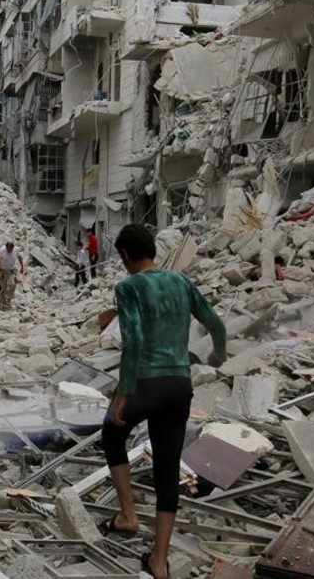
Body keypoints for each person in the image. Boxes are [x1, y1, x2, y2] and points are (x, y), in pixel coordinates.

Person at [98, 224, 226, 579]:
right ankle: (159, 560)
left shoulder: (128, 286)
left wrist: (122, 394)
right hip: (179, 384)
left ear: (125, 256)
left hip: (147, 384)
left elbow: (134, 340)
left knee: (112, 434)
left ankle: (127, 515)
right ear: (152, 249)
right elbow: (214, 321)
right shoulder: (181, 282)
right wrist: (218, 353)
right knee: (167, 470)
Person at [0, 241, 25, 310]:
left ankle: (8, 301)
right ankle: (2, 305)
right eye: (8, 249)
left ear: (13, 248)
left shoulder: (16, 249)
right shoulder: (2, 250)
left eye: (10, 249)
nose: (9, 251)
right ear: (6, 248)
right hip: (4, 270)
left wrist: (22, 266)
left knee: (13, 284)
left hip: (12, 270)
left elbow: (19, 257)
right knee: (3, 287)